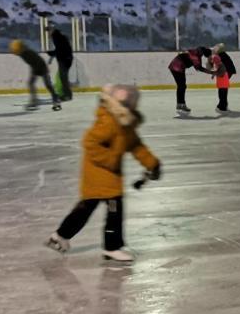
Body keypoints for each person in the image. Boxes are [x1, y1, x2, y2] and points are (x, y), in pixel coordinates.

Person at [45, 84, 160, 264]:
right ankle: (112, 248)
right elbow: (90, 142)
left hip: (108, 177)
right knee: (110, 211)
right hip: (99, 174)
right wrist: (111, 160)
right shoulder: (108, 122)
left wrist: (152, 163)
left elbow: (136, 146)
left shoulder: (124, 124)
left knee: (86, 209)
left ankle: (60, 236)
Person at [10, 39, 61, 110]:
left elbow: (37, 60)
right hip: (36, 68)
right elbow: (33, 62)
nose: (14, 52)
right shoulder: (23, 53)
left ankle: (55, 98)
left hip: (41, 67)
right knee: (31, 83)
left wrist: (38, 71)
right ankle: (34, 101)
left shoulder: (26, 53)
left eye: (14, 50)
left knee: (47, 84)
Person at [169, 46, 211, 112]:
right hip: (177, 67)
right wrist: (212, 72)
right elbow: (199, 68)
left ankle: (180, 104)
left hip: (177, 66)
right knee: (182, 86)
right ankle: (181, 105)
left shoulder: (196, 51)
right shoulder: (195, 56)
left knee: (182, 86)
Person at [46, 23, 75, 101]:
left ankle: (67, 95)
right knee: (63, 78)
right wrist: (53, 53)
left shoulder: (57, 37)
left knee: (63, 78)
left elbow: (61, 49)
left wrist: (52, 53)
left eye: (49, 30)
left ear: (52, 30)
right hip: (66, 59)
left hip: (64, 59)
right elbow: (61, 49)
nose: (48, 32)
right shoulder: (58, 36)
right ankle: (67, 94)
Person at [211, 43, 236, 112]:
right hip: (226, 72)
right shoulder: (223, 54)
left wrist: (214, 73)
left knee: (222, 89)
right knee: (223, 89)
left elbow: (219, 66)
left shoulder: (219, 56)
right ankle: (223, 105)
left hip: (224, 73)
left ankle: (222, 106)